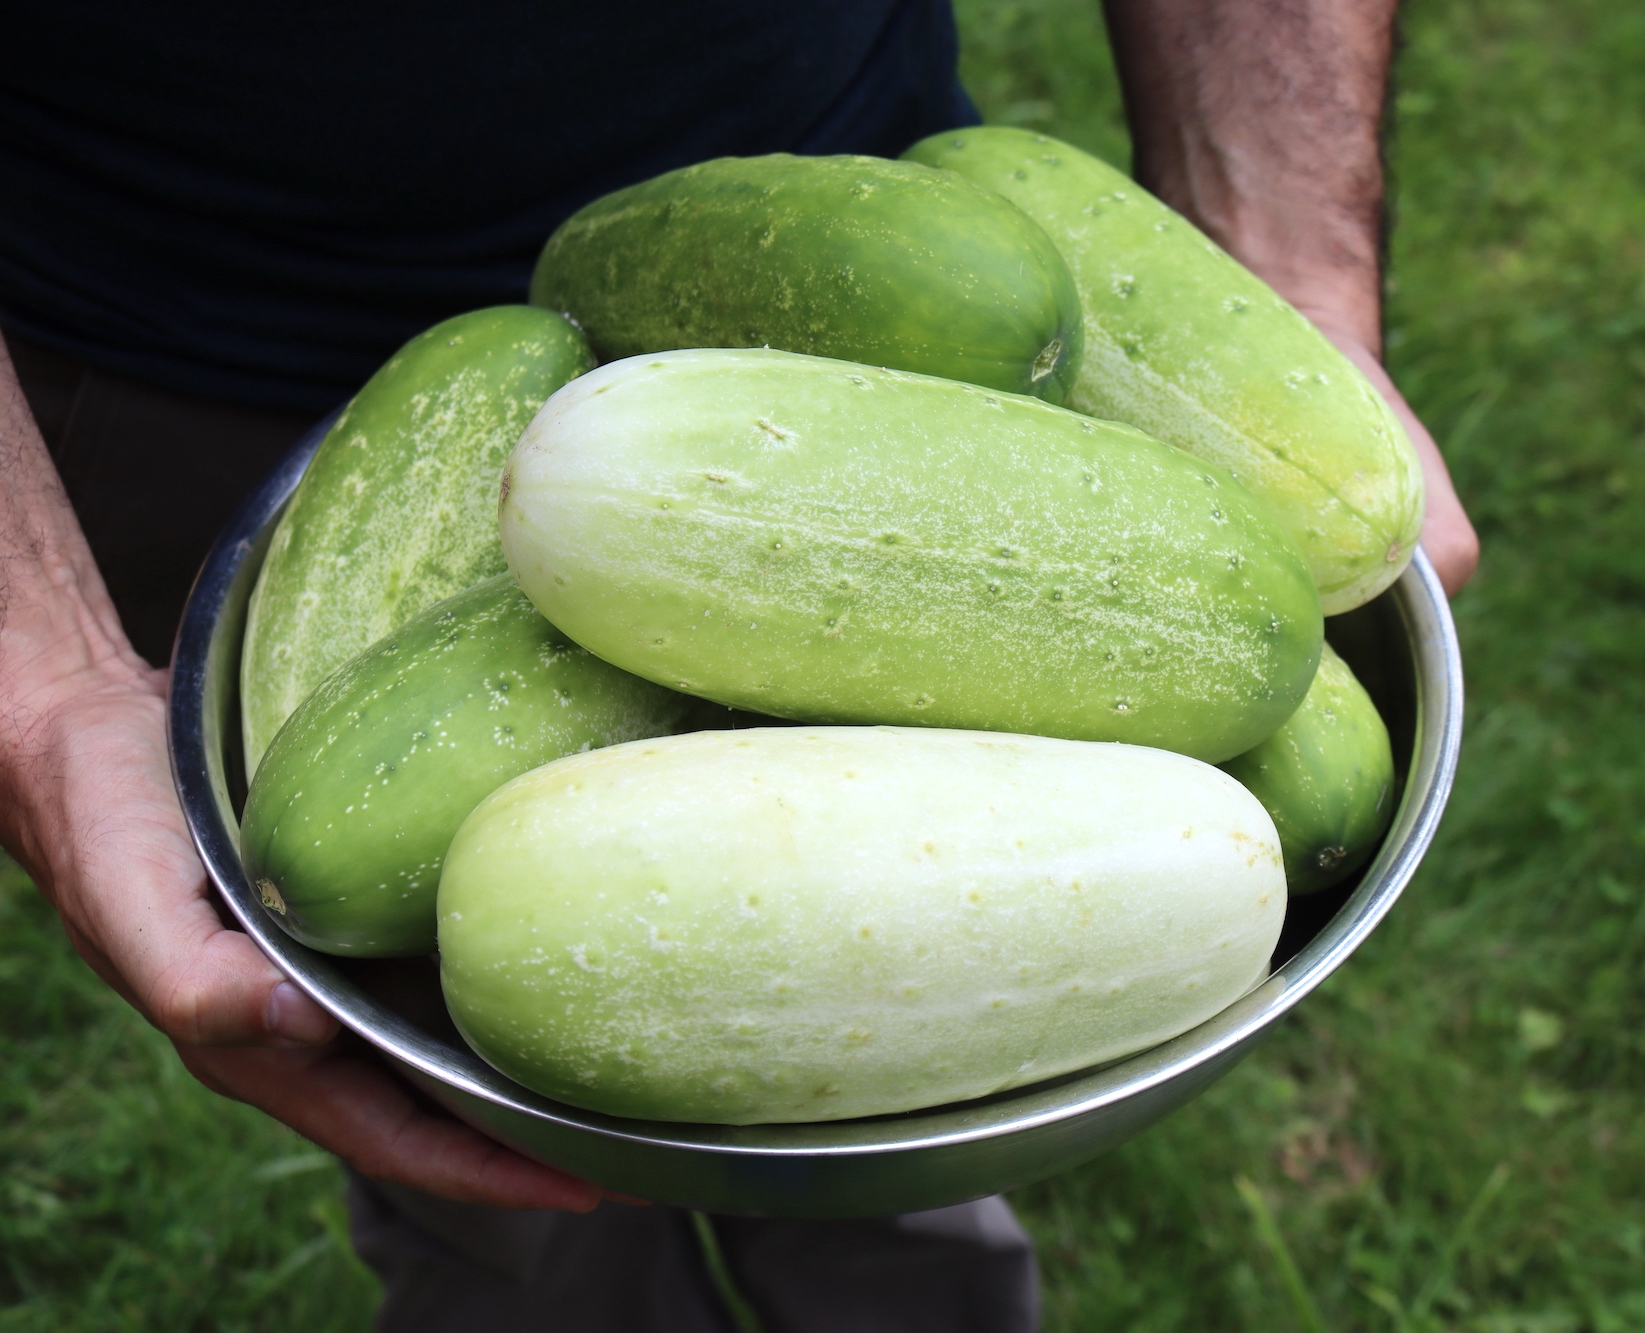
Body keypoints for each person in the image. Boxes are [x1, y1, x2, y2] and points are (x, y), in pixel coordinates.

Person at [0, 0, 1477, 1327]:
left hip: (867, 227)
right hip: (172, 310)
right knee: (476, 1157)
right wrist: (40, 666)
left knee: (914, 1108)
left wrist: (1291, 260)